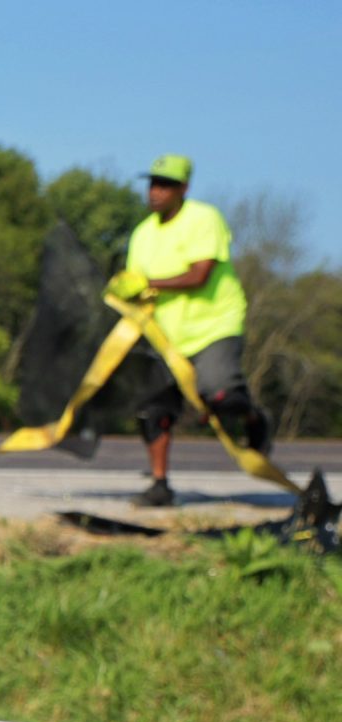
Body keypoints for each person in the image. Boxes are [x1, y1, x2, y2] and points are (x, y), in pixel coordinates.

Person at [113, 153, 265, 507]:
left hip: (213, 326)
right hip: (165, 336)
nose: (155, 192)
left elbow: (199, 276)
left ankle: (253, 418)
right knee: (152, 407)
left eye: (165, 185)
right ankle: (160, 485)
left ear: (183, 188)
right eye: (152, 183)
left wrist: (146, 282)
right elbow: (138, 287)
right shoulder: (142, 234)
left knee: (219, 395)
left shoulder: (204, 218)